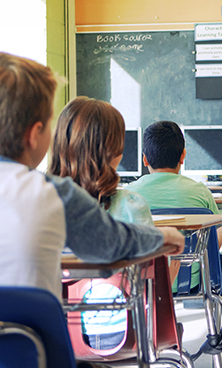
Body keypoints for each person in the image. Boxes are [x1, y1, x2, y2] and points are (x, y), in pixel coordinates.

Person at [0, 52, 185, 301]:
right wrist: (163, 235)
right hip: (31, 333)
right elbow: (109, 243)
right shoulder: (54, 193)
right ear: (34, 135)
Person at [126, 121, 222, 367]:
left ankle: (161, 337)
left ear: (144, 159)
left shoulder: (130, 194)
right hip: (196, 279)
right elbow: (214, 238)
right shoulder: (199, 192)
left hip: (146, 283)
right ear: (183, 156)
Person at [47, 97, 160, 350]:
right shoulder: (132, 205)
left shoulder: (36, 203)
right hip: (121, 335)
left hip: (48, 335)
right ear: (116, 151)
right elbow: (152, 283)